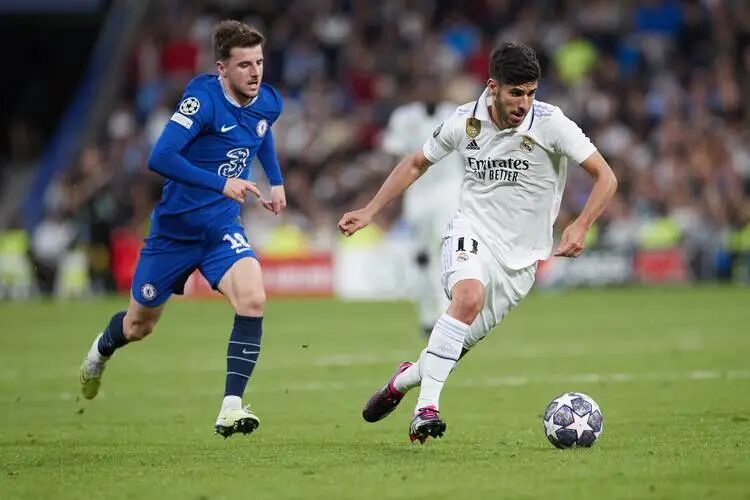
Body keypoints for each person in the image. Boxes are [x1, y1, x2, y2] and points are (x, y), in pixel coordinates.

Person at [338, 43, 617, 443]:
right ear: (492, 87)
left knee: (452, 349)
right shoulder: (464, 121)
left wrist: (582, 224)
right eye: (516, 93)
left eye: (531, 93)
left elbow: (606, 177)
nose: (524, 103)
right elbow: (416, 163)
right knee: (467, 297)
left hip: (521, 261)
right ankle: (426, 410)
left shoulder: (551, 123)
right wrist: (371, 210)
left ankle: (403, 380)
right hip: (471, 230)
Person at [79, 20, 287, 438]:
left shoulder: (268, 100)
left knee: (253, 298)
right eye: (244, 64)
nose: (255, 72)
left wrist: (276, 180)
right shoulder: (202, 100)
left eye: (259, 62)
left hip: (220, 229)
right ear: (221, 68)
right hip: (174, 234)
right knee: (138, 326)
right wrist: (221, 183)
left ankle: (231, 407)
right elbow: (160, 157)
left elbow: (261, 130)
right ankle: (99, 353)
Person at [380, 74, 463, 337]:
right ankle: (427, 314)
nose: (430, 92)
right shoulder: (403, 118)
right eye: (424, 88)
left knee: (445, 247)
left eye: (434, 87)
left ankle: (445, 312)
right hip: (417, 193)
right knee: (421, 256)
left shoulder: (455, 114)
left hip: (449, 189)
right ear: (416, 91)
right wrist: (391, 197)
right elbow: (394, 157)